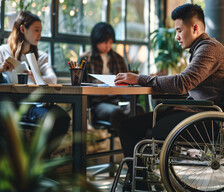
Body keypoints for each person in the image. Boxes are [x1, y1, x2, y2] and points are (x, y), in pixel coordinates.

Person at [114, 3, 224, 191]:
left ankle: (139, 182)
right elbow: (186, 84)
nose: (176, 37)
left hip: (204, 122)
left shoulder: (208, 50)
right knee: (132, 124)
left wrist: (140, 78)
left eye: (179, 30)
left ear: (194, 28)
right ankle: (140, 180)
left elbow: (183, 83)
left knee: (128, 127)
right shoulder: (203, 49)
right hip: (198, 115)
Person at [0, 11, 70, 157]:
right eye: (36, 30)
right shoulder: (3, 51)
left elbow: (53, 79)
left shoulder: (41, 56)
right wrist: (2, 68)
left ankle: (40, 160)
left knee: (62, 118)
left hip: (37, 103)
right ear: (22, 29)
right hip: (14, 104)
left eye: (40, 31)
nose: (39, 35)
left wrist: (35, 74)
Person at [78, 22, 137, 134]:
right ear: (96, 40)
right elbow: (81, 85)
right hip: (98, 103)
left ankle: (136, 145)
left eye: (110, 42)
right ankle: (129, 143)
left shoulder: (117, 58)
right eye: (105, 42)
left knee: (137, 109)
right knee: (117, 113)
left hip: (118, 100)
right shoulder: (85, 59)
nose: (108, 46)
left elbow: (126, 84)